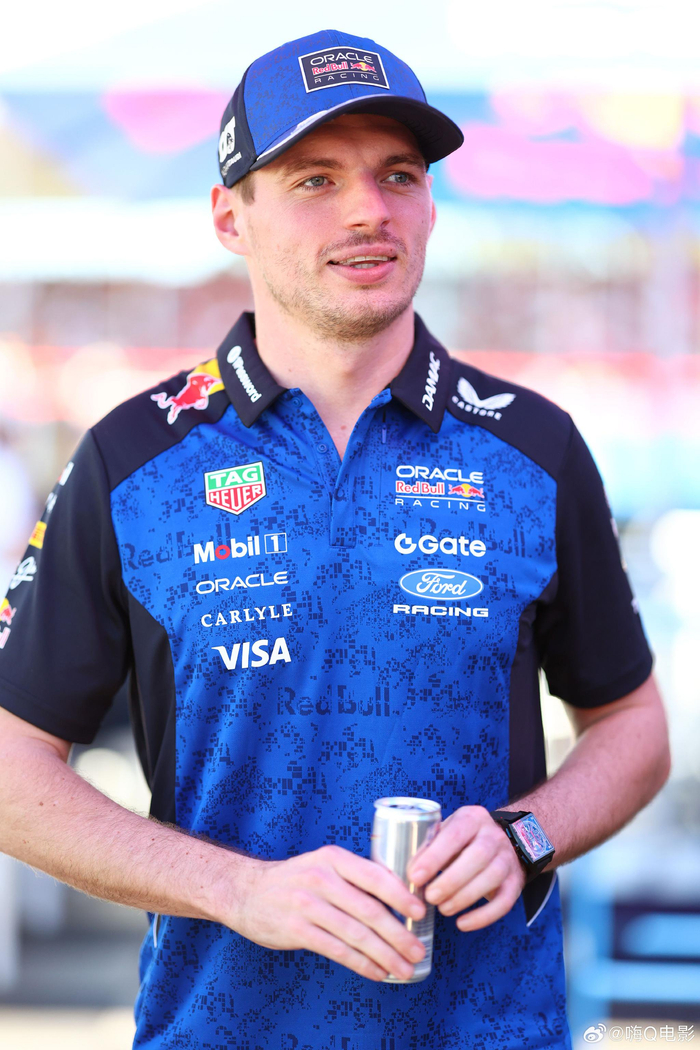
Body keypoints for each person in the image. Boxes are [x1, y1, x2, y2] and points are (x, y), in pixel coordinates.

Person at [0, 28, 670, 1050]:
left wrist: (526, 834)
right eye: (315, 179)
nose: (368, 211)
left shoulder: (533, 449)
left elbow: (633, 727)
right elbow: (13, 769)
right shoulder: (133, 460)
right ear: (230, 217)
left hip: (489, 1033)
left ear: (431, 205)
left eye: (398, 175)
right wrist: (238, 890)